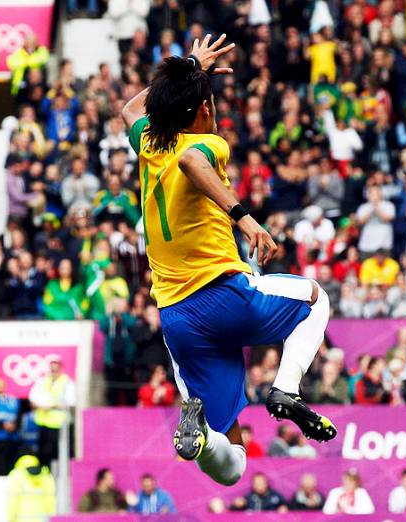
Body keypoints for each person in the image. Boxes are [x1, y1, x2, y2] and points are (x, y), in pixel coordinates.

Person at [121, 35, 336, 487]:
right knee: (316, 300)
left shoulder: (149, 142)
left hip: (178, 319)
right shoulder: (207, 143)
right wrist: (245, 219)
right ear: (202, 109)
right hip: (223, 296)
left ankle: (200, 436)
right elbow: (192, 165)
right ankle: (286, 389)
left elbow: (128, 110)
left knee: (232, 464)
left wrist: (187, 65)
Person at [29, 359, 76, 465]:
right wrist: (39, 405)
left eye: (56, 370)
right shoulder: (43, 381)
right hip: (43, 422)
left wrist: (51, 406)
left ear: (61, 370)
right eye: (52, 370)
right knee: (43, 453)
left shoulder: (67, 383)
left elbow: (71, 402)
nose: (53, 373)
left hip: (59, 424)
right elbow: (33, 397)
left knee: (58, 453)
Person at [5, 454, 57, 521]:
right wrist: (52, 517)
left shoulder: (16, 475)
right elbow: (51, 500)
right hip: (42, 519)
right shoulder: (46, 476)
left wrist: (11, 519)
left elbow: (12, 500)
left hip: (21, 519)